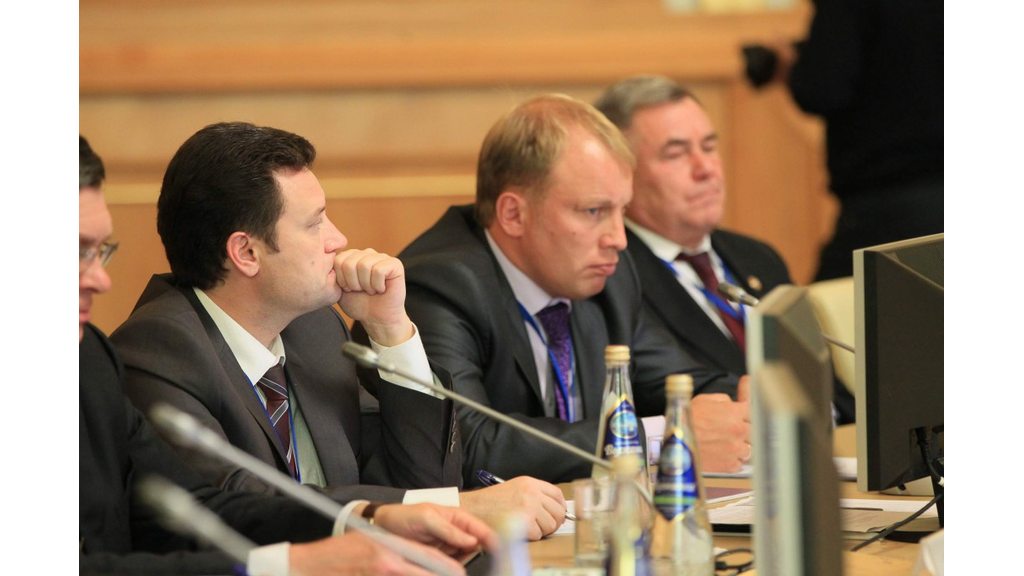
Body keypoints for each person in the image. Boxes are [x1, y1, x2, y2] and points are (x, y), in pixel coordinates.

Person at [109, 122, 565, 540]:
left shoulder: (314, 331)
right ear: (246, 253)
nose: (338, 239)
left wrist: (390, 329)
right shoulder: (158, 352)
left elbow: (420, 482)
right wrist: (455, 508)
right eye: (315, 224)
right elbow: (241, 506)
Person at [391, 94, 748, 484]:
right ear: (513, 214)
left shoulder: (608, 279)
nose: (618, 239)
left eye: (621, 211)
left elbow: (678, 383)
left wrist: (752, 398)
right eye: (594, 211)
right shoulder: (440, 286)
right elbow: (469, 446)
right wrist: (658, 437)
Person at [593, 75, 854, 424]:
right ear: (622, 174)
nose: (706, 169)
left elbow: (827, 387)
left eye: (709, 146)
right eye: (676, 154)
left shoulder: (757, 257)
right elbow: (672, 392)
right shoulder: (613, 274)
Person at [772, 0, 944, 281]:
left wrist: (792, 67)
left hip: (888, 199)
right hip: (915, 192)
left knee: (827, 307)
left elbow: (822, 90)